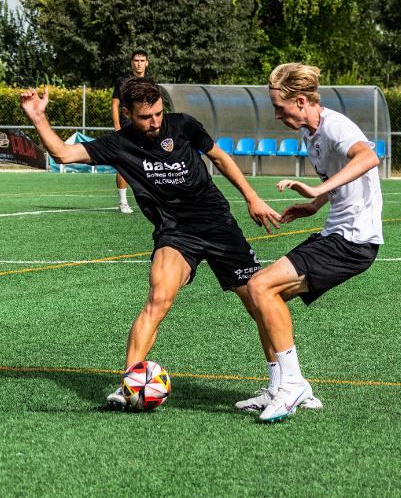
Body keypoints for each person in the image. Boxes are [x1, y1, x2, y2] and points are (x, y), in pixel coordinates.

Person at [21, 76, 283, 409]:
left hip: (217, 224)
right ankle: (129, 384)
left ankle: (282, 386)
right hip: (175, 232)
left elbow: (220, 158)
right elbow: (62, 154)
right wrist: (38, 118)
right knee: (158, 297)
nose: (155, 122)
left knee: (258, 303)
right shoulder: (118, 144)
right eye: (146, 117)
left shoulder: (184, 126)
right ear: (128, 113)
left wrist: (252, 197)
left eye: (159, 113)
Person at [240, 63, 383, 422]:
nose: (276, 115)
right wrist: (313, 205)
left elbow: (368, 156)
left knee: (259, 287)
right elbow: (338, 177)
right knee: (262, 299)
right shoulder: (311, 133)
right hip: (339, 235)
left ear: (301, 101)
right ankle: (279, 386)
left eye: (279, 107)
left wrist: (320, 189)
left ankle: (293, 385)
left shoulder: (335, 126)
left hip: (353, 240)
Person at [111, 50, 150, 213]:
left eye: (142, 60)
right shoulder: (123, 81)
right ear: (131, 63)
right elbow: (115, 105)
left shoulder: (149, 82)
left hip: (146, 127)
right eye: (136, 60)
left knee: (148, 164)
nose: (139, 63)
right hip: (127, 127)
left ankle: (149, 200)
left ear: (147, 63)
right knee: (124, 162)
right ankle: (122, 202)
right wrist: (117, 127)